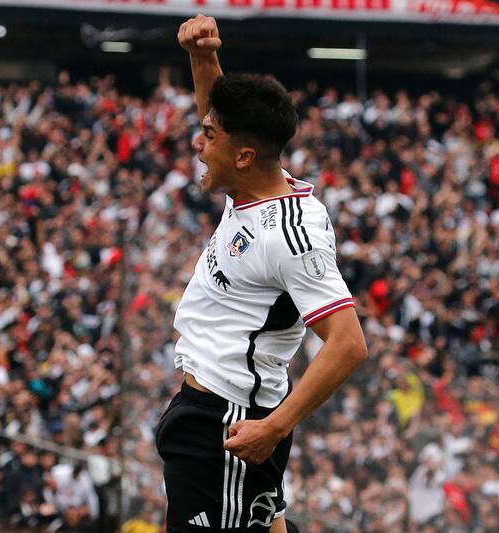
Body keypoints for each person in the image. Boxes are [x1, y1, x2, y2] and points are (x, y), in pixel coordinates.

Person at [155, 14, 368, 533]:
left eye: (208, 136)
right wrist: (203, 58)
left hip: (230, 421)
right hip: (204, 409)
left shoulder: (290, 235)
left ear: (244, 155)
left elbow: (347, 343)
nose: (198, 144)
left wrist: (273, 428)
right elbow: (222, 119)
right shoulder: (249, 188)